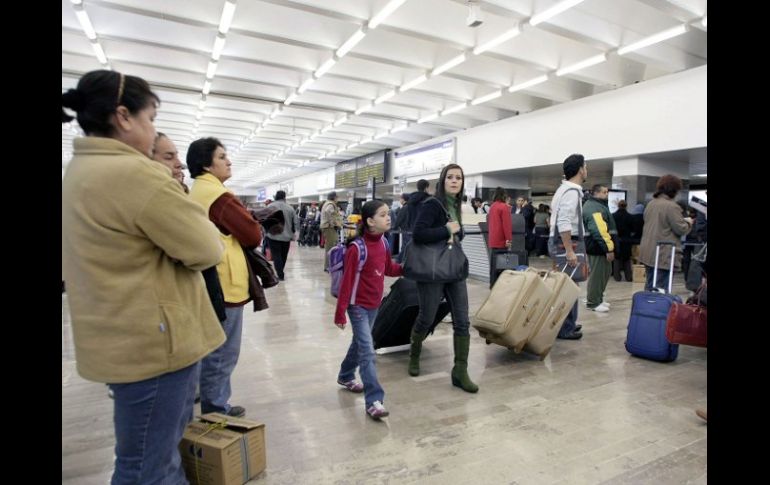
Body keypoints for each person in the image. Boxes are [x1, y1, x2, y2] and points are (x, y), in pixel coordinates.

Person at [62, 70, 226, 484]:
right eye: (150, 118)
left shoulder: (80, 172)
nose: (153, 131)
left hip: (120, 335)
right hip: (154, 344)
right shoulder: (133, 175)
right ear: (123, 117)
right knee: (152, 468)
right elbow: (208, 248)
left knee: (139, 458)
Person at [187, 136, 264, 418]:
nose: (228, 161)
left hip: (205, 280)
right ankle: (216, 408)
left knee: (210, 348)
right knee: (223, 352)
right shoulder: (219, 197)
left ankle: (205, 396)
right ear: (206, 165)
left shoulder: (197, 192)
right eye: (221, 156)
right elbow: (252, 234)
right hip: (224, 283)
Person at [409, 164, 478, 393]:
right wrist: (447, 230)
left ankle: (460, 370)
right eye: (450, 177)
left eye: (459, 177)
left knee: (462, 320)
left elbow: (456, 232)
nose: (454, 181)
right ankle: (414, 355)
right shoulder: (432, 204)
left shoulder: (457, 205)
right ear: (442, 180)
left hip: (454, 269)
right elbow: (418, 234)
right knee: (427, 317)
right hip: (433, 270)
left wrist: (456, 230)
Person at [334, 200, 403, 420]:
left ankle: (345, 375)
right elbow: (346, 283)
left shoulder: (383, 243)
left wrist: (407, 268)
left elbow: (389, 269)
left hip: (375, 304)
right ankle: (374, 400)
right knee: (367, 350)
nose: (388, 218)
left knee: (360, 343)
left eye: (388, 214)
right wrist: (340, 312)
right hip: (358, 307)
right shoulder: (357, 248)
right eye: (383, 215)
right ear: (370, 221)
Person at [548, 154, 589, 340]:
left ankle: (569, 323)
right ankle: (564, 328)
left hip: (560, 241)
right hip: (566, 242)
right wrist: (569, 250)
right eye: (585, 166)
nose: (586, 170)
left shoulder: (565, 190)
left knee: (569, 284)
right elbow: (564, 221)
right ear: (581, 169)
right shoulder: (571, 192)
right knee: (568, 286)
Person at [639, 175, 693, 291]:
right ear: (674, 190)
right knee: (661, 289)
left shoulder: (651, 204)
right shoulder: (672, 206)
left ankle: (647, 307)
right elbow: (681, 229)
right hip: (664, 254)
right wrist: (688, 222)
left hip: (648, 252)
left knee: (650, 286)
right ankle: (657, 309)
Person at [582, 184, 617, 312]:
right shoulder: (594, 207)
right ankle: (593, 302)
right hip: (598, 247)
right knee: (597, 275)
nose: (607, 194)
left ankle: (598, 298)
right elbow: (599, 230)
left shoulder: (598, 205)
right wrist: (608, 248)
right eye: (604, 192)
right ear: (596, 193)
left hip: (598, 246)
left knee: (603, 274)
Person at [265, 190, 299, 281]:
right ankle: (281, 273)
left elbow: (264, 220)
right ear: (285, 197)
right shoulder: (290, 208)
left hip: (273, 236)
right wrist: (295, 234)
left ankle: (280, 274)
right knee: (283, 255)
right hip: (287, 236)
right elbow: (295, 222)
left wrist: (266, 231)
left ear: (275, 196)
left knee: (276, 255)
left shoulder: (270, 206)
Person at [486, 187, 513, 287]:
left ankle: (493, 284)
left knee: (494, 264)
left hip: (493, 239)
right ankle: (501, 285)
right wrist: (509, 239)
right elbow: (507, 225)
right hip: (501, 240)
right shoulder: (503, 207)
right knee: (503, 264)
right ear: (504, 195)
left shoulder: (492, 206)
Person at [611, 200, 634, 281]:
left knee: (617, 259)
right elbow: (632, 229)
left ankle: (617, 277)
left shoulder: (613, 216)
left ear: (618, 206)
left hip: (616, 239)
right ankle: (628, 277)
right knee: (627, 259)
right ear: (626, 206)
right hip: (627, 240)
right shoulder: (630, 217)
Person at [320, 191, 344, 271]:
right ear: (334, 197)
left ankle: (329, 265)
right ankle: (328, 266)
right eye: (337, 197)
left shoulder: (328, 203)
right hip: (329, 228)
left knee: (331, 246)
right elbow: (328, 212)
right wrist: (334, 224)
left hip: (327, 227)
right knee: (330, 247)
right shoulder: (330, 204)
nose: (338, 198)